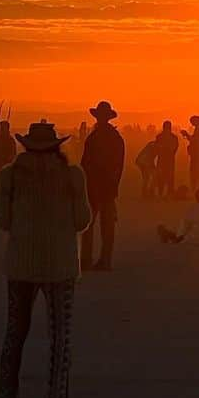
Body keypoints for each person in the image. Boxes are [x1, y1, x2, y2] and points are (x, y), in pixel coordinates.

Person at [0, 121, 90, 398]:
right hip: (60, 263)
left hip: (21, 262)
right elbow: (82, 220)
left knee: (15, 331)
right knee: (61, 334)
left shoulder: (8, 175)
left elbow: (3, 220)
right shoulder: (72, 175)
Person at [80, 100, 124, 272]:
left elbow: (85, 163)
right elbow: (119, 166)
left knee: (90, 225)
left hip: (96, 186)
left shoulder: (94, 138)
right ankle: (104, 260)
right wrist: (114, 186)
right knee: (106, 226)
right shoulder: (115, 138)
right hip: (106, 186)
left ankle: (87, 259)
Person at [154, 120, 179, 198]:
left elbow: (174, 148)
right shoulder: (172, 137)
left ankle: (166, 193)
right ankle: (164, 193)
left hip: (165, 159)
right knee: (164, 176)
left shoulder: (160, 137)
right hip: (166, 159)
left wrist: (163, 149)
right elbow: (174, 148)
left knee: (168, 176)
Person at [182, 116, 199, 193]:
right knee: (196, 173)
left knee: (196, 173)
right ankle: (196, 190)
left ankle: (197, 190)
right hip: (197, 154)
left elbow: (196, 141)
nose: (191, 124)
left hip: (198, 154)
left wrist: (187, 135)